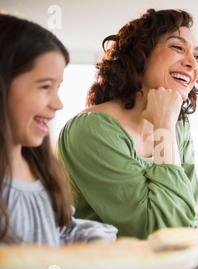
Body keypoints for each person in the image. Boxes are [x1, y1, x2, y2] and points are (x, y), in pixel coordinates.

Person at [57, 9, 198, 239]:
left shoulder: (179, 127)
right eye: (177, 48)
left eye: (197, 57)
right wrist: (163, 128)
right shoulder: (91, 129)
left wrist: (167, 126)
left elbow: (191, 217)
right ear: (139, 56)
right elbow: (158, 232)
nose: (191, 63)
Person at [0, 13, 117, 245]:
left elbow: (60, 230)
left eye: (58, 88)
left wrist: (92, 239)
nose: (58, 104)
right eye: (45, 86)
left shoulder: (39, 168)